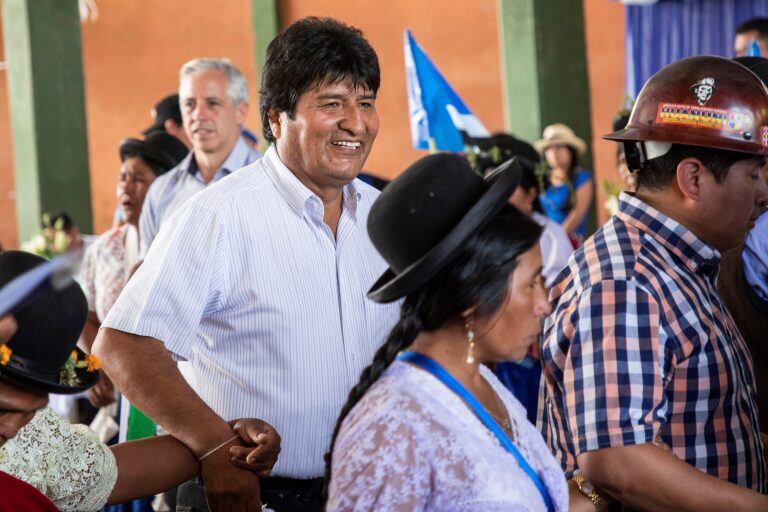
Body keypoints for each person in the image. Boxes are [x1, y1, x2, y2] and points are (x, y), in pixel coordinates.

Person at [94, 17, 398, 512]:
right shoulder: (220, 215)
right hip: (248, 495)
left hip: (364, 494)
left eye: (365, 103)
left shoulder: (382, 219)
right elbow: (124, 344)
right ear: (277, 118)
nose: (356, 123)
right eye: (332, 104)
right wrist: (215, 446)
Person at [539, 55, 768, 511]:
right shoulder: (627, 284)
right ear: (693, 178)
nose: (764, 193)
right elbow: (618, 460)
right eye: (755, 173)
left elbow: (701, 424)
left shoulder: (678, 265)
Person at [325, 153, 599, 511]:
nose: (544, 305)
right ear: (473, 296)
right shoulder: (391, 429)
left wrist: (599, 488)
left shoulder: (483, 382)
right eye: (532, 284)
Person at [0, 251, 280, 512]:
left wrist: (226, 440)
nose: (13, 429)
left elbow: (109, 473)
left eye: (30, 412)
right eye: (4, 409)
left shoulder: (33, 440)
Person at [139, 58, 261, 256]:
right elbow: (149, 275)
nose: (198, 114)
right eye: (189, 104)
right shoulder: (161, 192)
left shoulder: (270, 182)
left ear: (240, 111)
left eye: (212, 103)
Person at [534, 123, 594, 245]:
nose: (554, 153)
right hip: (546, 243)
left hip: (572, 244)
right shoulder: (542, 180)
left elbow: (576, 215)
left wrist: (554, 242)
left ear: (571, 150)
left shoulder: (582, 178)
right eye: (549, 148)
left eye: (559, 147)